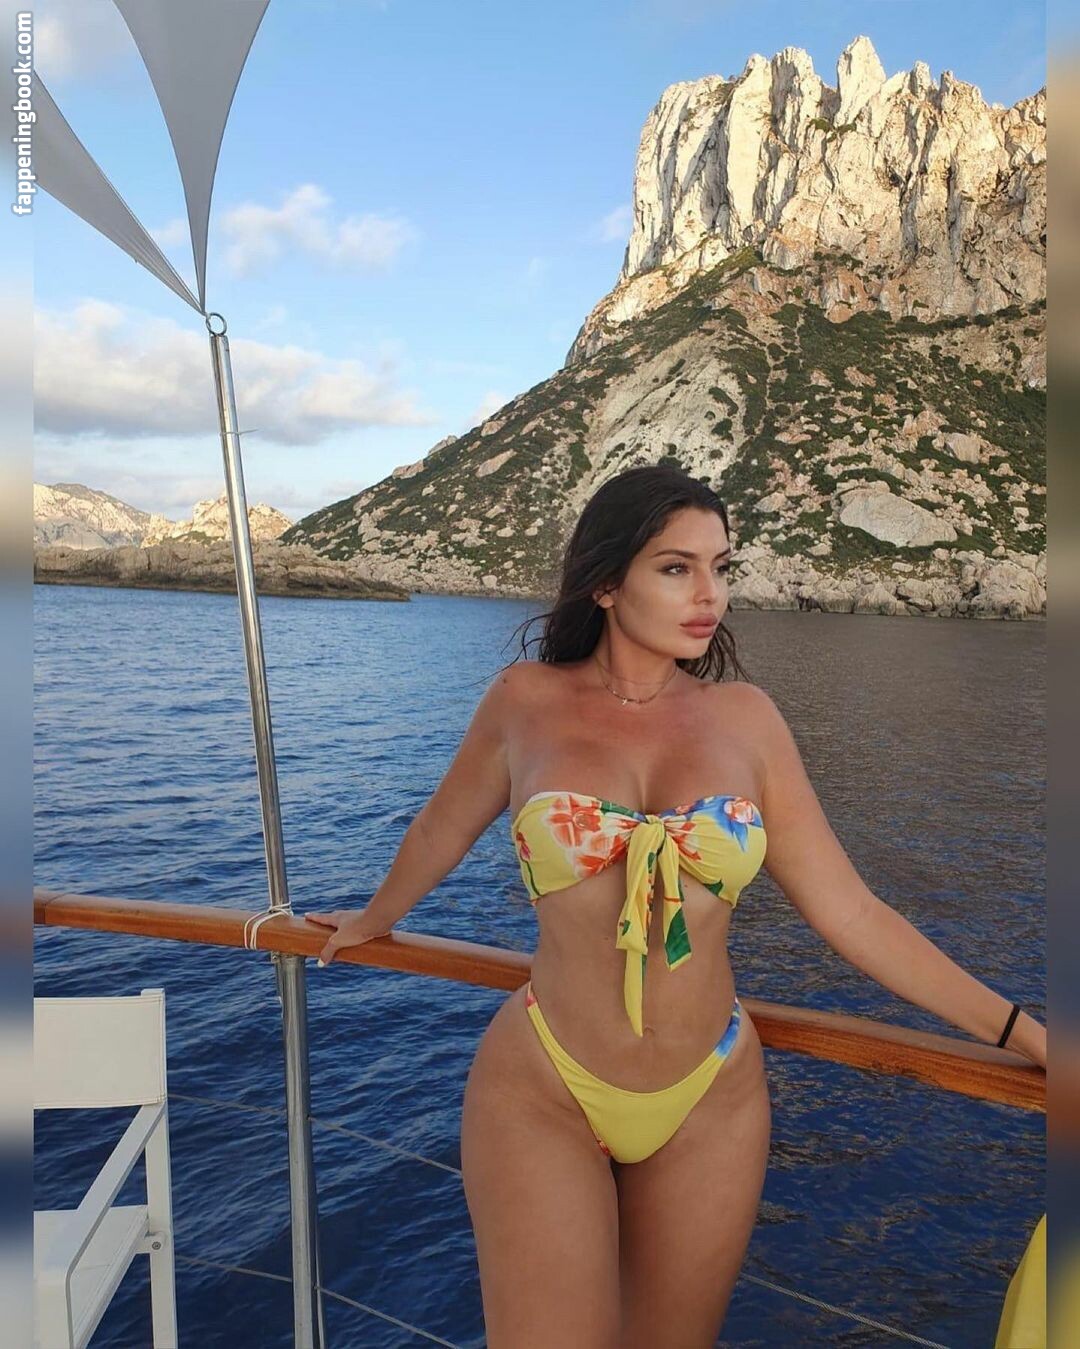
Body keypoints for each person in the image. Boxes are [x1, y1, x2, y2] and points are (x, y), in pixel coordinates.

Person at [306, 463, 1047, 1349]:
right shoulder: (523, 702)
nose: (710, 595)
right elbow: (440, 829)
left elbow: (851, 912)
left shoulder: (748, 719)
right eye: (676, 568)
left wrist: (1031, 1037)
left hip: (710, 1096)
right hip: (545, 1082)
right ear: (606, 583)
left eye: (721, 567)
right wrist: (373, 918)